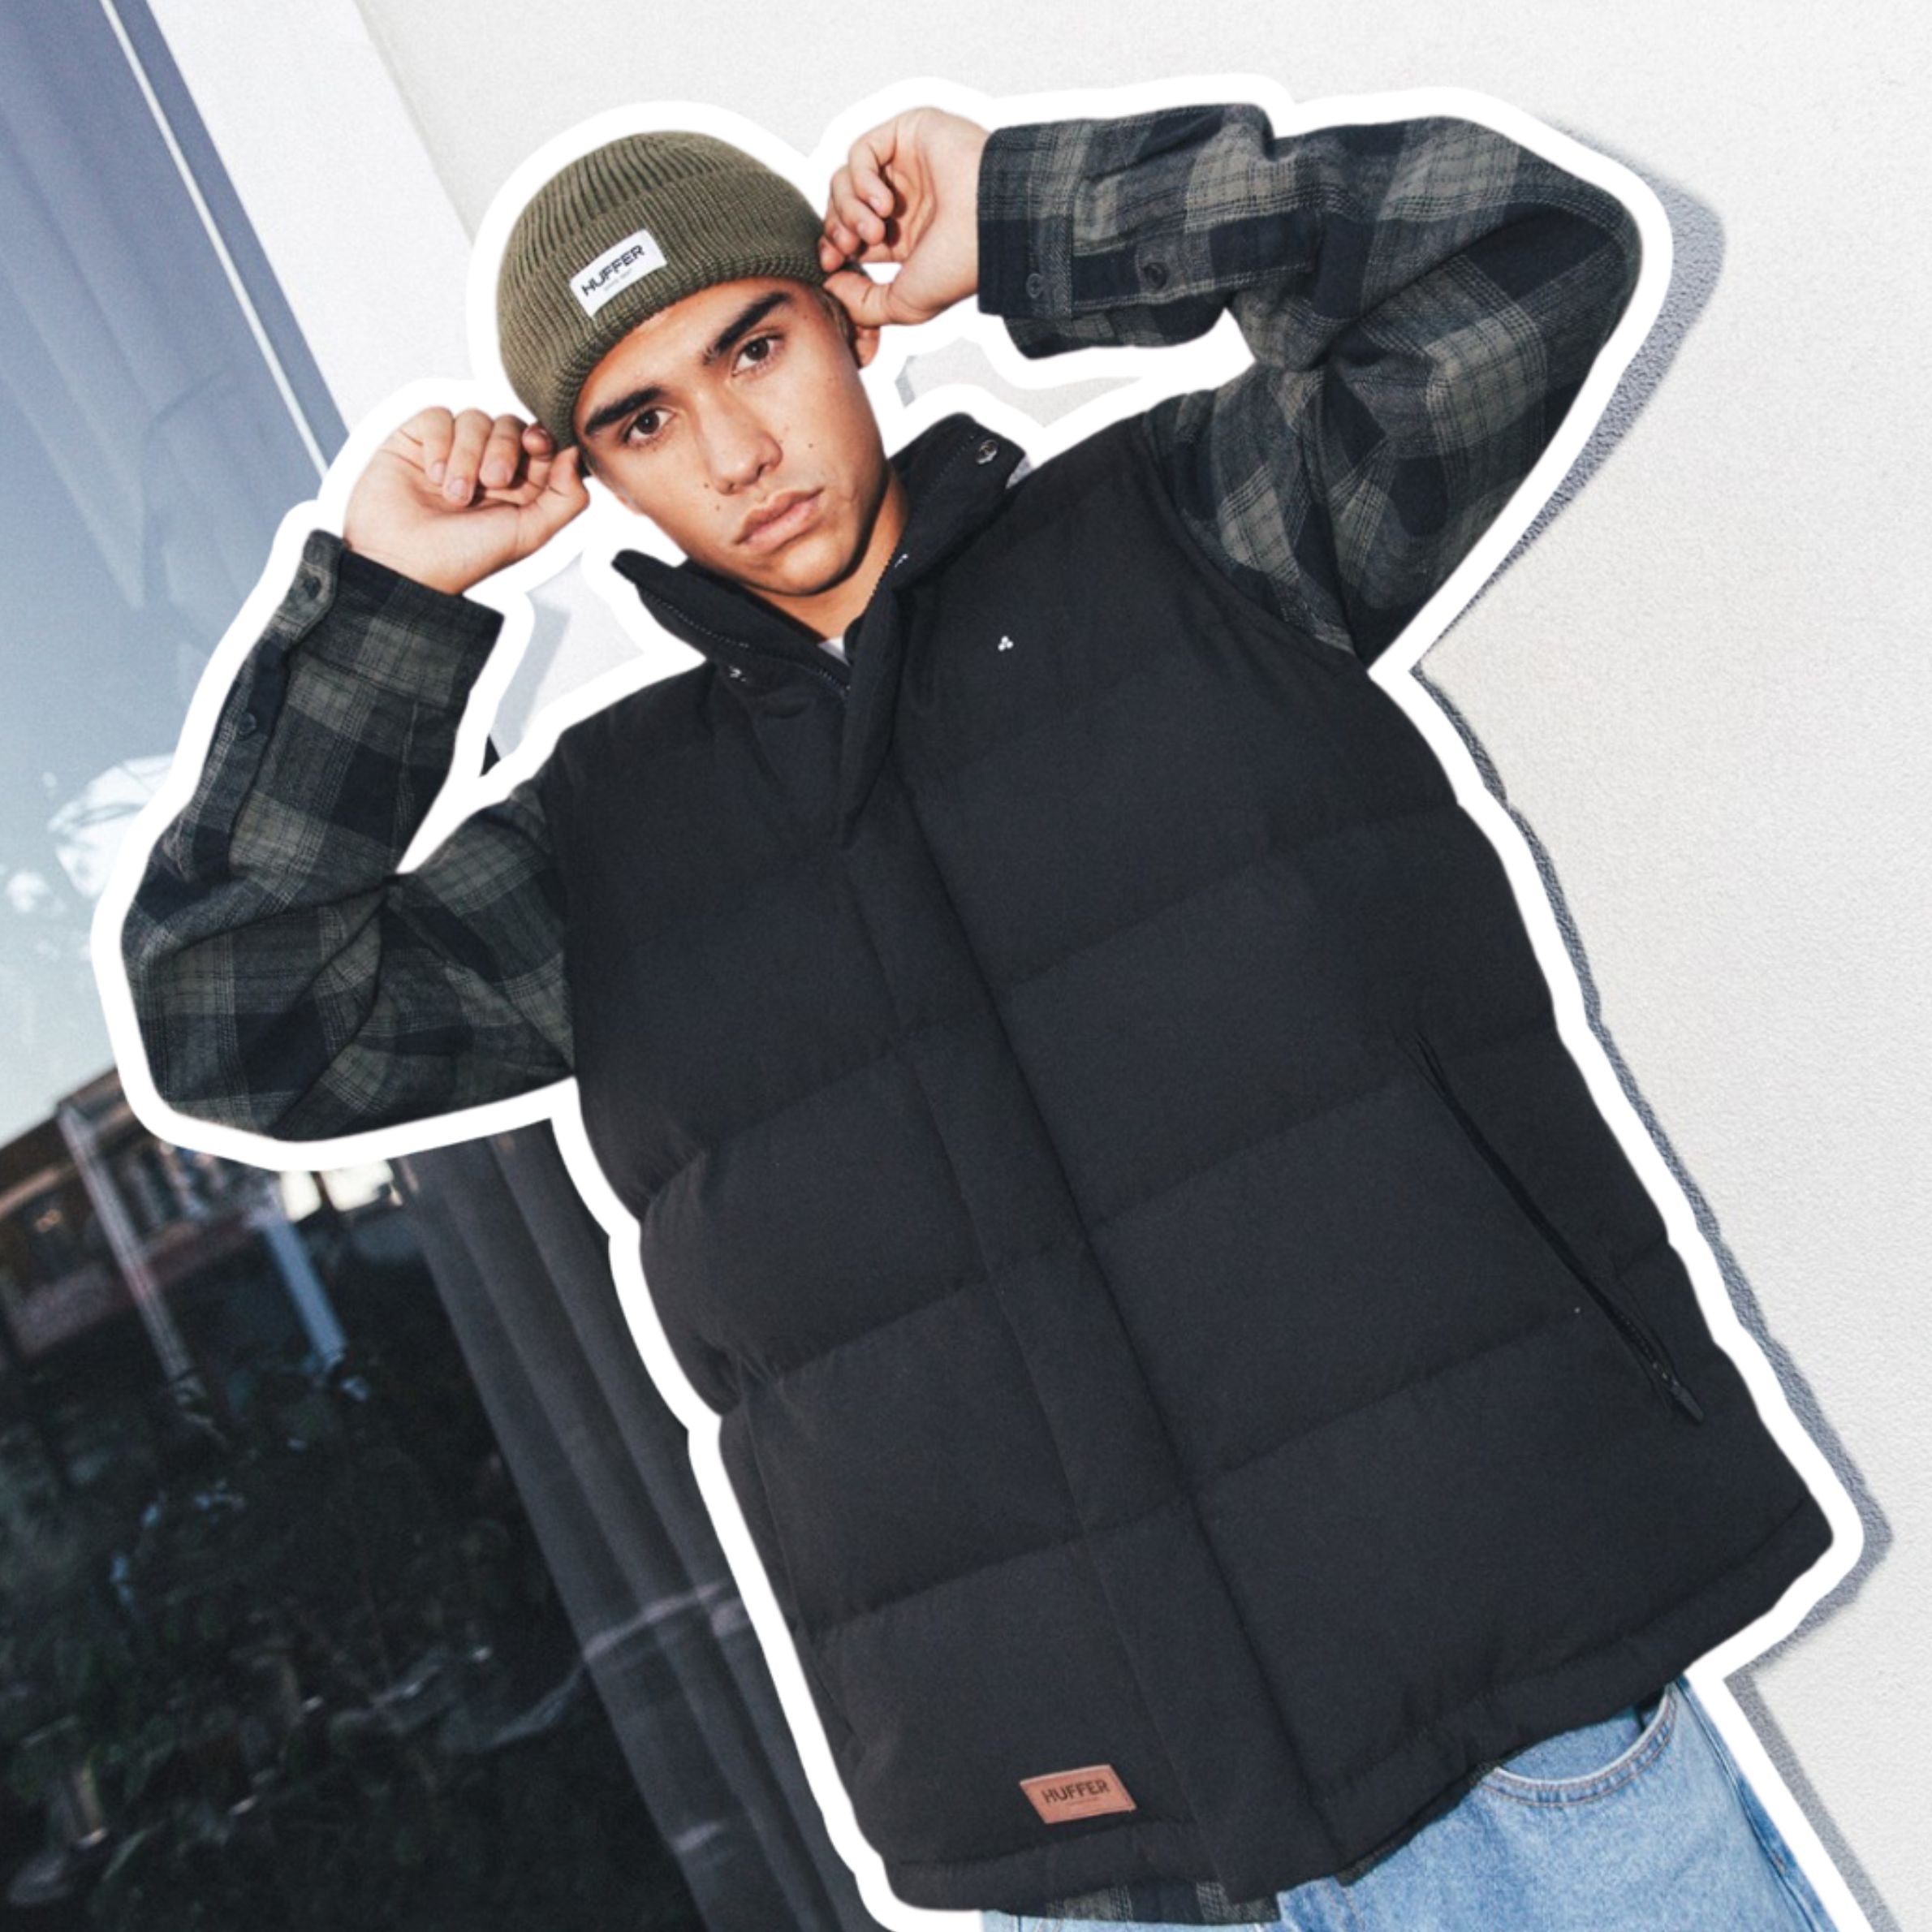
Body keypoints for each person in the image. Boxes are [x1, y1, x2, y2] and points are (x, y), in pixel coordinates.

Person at [115, 93, 1842, 1930]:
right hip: (1093, 1854)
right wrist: (384, 602)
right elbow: (240, 1018)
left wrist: (1033, 215)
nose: (736, 451)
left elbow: (1520, 254)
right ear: (597, 474)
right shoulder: (598, 852)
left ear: (848, 323)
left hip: (1523, 1740)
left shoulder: (1201, 537)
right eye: (645, 419)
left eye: (753, 347)